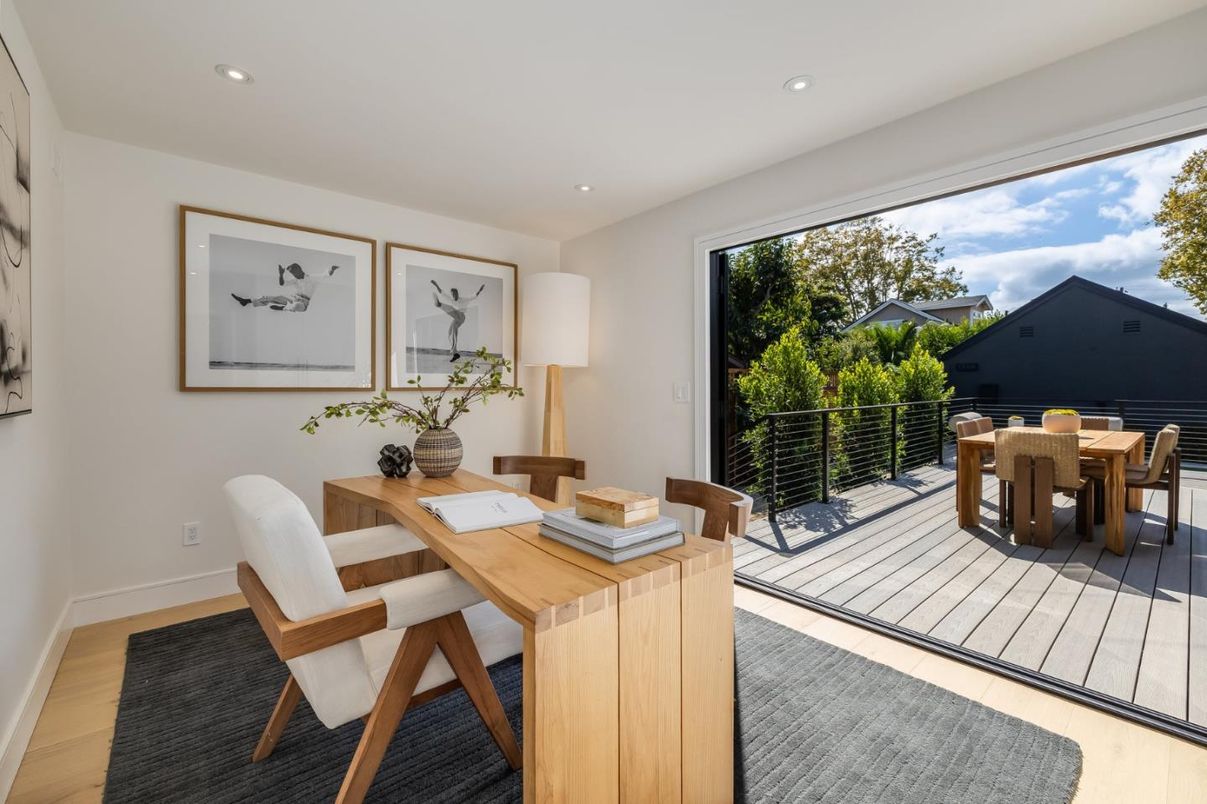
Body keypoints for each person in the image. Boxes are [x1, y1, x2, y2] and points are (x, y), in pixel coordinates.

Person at [231, 263, 339, 312]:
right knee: (273, 297)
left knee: (295, 305)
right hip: (292, 299)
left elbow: (326, 274)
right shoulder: (295, 280)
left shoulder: (312, 278)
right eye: (292, 273)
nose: (293, 275)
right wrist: (281, 275)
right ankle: (247, 301)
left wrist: (332, 269)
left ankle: (283, 308)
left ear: (300, 270)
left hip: (303, 304)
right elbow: (282, 284)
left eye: (294, 272)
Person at [431, 279, 485, 361]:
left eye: (455, 294)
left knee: (452, 309)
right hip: (456, 318)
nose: (454, 296)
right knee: (450, 332)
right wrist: (436, 285)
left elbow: (473, 296)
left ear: (457, 294)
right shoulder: (451, 299)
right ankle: (455, 353)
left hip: (461, 316)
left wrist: (480, 290)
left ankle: (439, 304)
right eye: (452, 295)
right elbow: (443, 293)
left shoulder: (463, 299)